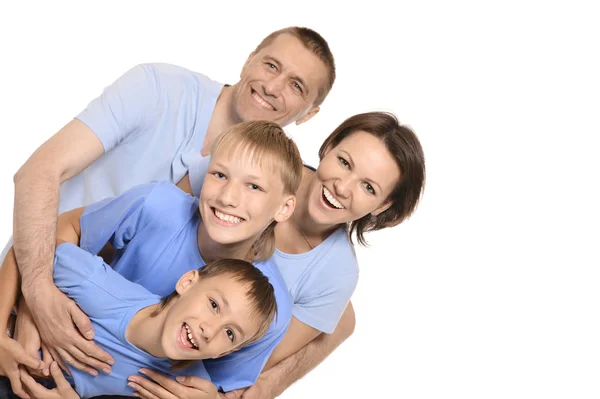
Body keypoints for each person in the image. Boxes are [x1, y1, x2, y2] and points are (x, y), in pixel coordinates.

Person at [1, 25, 335, 386]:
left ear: (309, 113)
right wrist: (33, 300)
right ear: (248, 59)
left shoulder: (267, 294)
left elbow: (332, 314)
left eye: (296, 85)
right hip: (30, 286)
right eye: (271, 65)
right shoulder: (158, 94)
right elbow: (39, 178)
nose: (273, 87)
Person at [2, 120, 303, 397]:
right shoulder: (159, 206)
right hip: (76, 331)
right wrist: (34, 306)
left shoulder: (270, 308)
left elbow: (225, 384)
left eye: (254, 186)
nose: (228, 197)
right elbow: (45, 238)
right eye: (219, 174)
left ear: (284, 208)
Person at [169, 111, 426, 398]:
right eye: (344, 162)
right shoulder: (263, 161)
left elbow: (249, 362)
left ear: (382, 205)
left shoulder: (335, 274)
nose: (342, 187)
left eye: (368, 187)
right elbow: (158, 216)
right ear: (328, 147)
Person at [0, 241, 277, 398]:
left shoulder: (186, 389)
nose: (209, 330)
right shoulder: (99, 289)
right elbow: (24, 249)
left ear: (228, 352)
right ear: (187, 282)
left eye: (230, 334)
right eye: (214, 305)